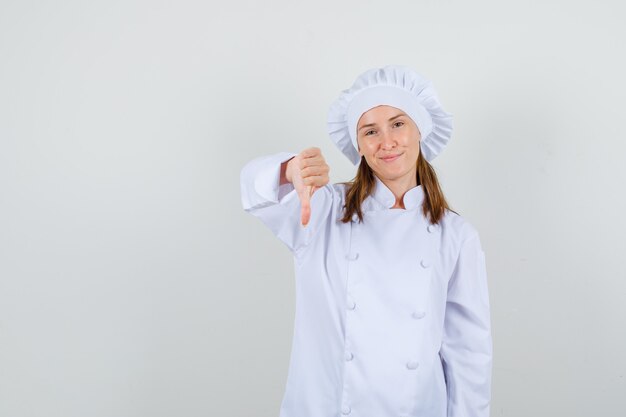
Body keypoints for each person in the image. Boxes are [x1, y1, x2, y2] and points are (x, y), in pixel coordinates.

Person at [240, 65, 492, 417]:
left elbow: (469, 353)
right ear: (358, 145)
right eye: (370, 131)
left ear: (421, 130)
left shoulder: (456, 235)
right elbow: (255, 193)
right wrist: (289, 170)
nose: (386, 141)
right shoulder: (324, 210)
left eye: (398, 124)